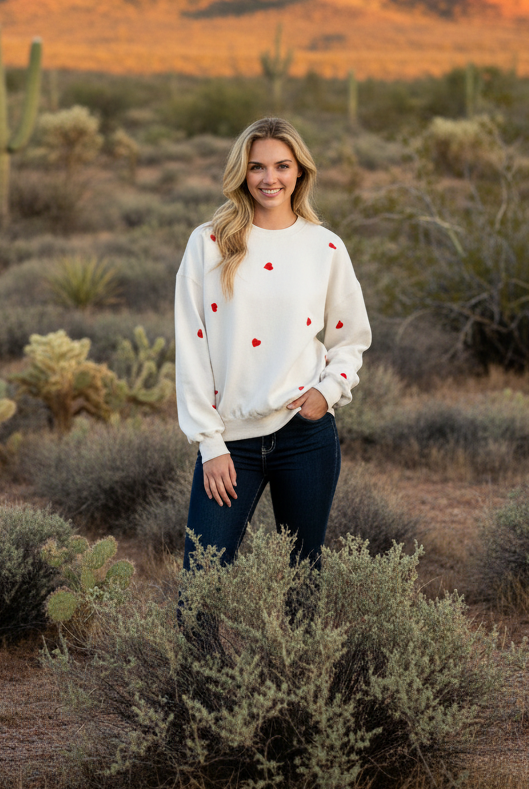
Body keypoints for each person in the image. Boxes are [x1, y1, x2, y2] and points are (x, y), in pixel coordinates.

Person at [174, 117, 371, 574]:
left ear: (299, 171)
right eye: (257, 167)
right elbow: (192, 344)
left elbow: (350, 335)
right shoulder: (209, 242)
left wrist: (329, 391)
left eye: (282, 166)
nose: (269, 178)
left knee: (303, 578)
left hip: (305, 438)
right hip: (231, 443)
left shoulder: (325, 247)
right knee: (201, 580)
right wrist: (210, 443)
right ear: (242, 172)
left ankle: (300, 652)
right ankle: (196, 652)